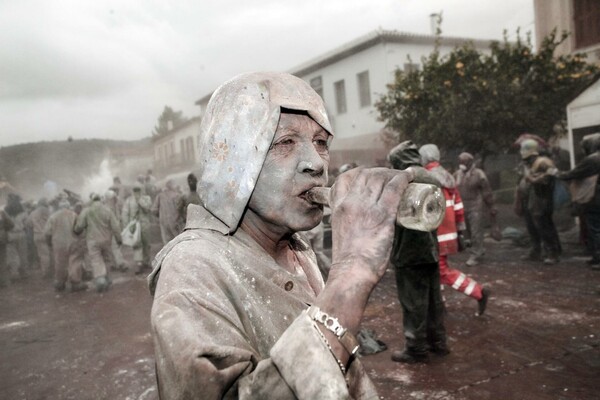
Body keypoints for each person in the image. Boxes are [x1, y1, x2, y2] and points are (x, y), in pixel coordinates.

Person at [148, 72, 413, 399]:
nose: (316, 163)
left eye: (320, 142)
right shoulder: (192, 268)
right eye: (285, 142)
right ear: (233, 159)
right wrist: (351, 274)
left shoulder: (296, 249)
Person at [387, 141, 448, 363]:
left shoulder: (402, 179)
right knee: (433, 300)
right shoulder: (430, 177)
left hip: (409, 252)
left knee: (413, 302)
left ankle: (416, 348)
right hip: (431, 247)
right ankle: (438, 342)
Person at [419, 144, 490, 316]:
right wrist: (459, 232)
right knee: (433, 269)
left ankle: (479, 293)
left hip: (435, 234)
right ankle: (439, 305)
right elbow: (459, 207)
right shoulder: (449, 177)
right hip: (447, 233)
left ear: (425, 158)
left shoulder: (424, 178)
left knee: (441, 271)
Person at [554, 133, 600, 269]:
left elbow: (573, 174)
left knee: (596, 228)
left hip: (595, 198)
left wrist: (556, 173)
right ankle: (595, 256)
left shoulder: (593, 159)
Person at [515, 139, 562, 264]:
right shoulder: (529, 164)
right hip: (531, 201)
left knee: (545, 228)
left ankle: (553, 253)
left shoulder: (544, 162)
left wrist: (530, 177)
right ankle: (536, 251)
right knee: (532, 227)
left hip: (542, 200)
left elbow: (546, 179)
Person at [454, 152, 498, 266]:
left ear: (470, 162)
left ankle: (475, 254)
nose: (461, 164)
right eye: (460, 161)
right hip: (462, 205)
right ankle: (479, 249)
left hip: (475, 206)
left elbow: (487, 191)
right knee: (466, 231)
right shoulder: (457, 174)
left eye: (464, 162)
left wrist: (491, 206)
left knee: (476, 231)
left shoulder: (479, 174)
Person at [74, 194, 122, 292]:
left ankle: (100, 279)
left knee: (96, 259)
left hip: (92, 240)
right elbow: (115, 226)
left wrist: (76, 231)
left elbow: (79, 226)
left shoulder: (87, 211)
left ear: (92, 200)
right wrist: (118, 239)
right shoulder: (107, 210)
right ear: (100, 200)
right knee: (107, 259)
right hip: (106, 239)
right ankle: (107, 278)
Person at [44, 200, 86, 292]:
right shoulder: (74, 215)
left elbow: (47, 232)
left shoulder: (53, 216)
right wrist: (82, 239)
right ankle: (76, 282)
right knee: (74, 261)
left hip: (58, 243)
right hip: (73, 241)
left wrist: (49, 243)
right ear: (68, 206)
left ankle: (60, 282)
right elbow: (80, 229)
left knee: (60, 263)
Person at [122, 183, 153, 274]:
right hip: (134, 226)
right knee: (137, 244)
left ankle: (146, 261)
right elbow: (125, 213)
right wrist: (127, 226)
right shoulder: (129, 201)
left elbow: (147, 208)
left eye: (138, 190)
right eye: (135, 190)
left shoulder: (146, 198)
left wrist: (139, 200)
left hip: (145, 225)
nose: (137, 192)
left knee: (146, 244)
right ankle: (139, 264)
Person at [26, 198, 52, 278]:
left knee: (42, 254)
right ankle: (52, 269)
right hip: (48, 234)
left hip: (37, 234)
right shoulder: (48, 211)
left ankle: (45, 271)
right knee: (51, 252)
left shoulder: (33, 213)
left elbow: (28, 223)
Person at [152, 179, 181, 245]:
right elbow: (180, 209)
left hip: (163, 222)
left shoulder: (160, 196)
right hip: (175, 221)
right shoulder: (177, 195)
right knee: (177, 242)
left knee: (166, 243)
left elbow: (154, 210)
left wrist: (160, 216)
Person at [0, 208, 15, 288]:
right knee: (2, 260)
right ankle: (4, 281)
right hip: (1, 238)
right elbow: (11, 224)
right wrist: (4, 229)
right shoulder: (1, 212)